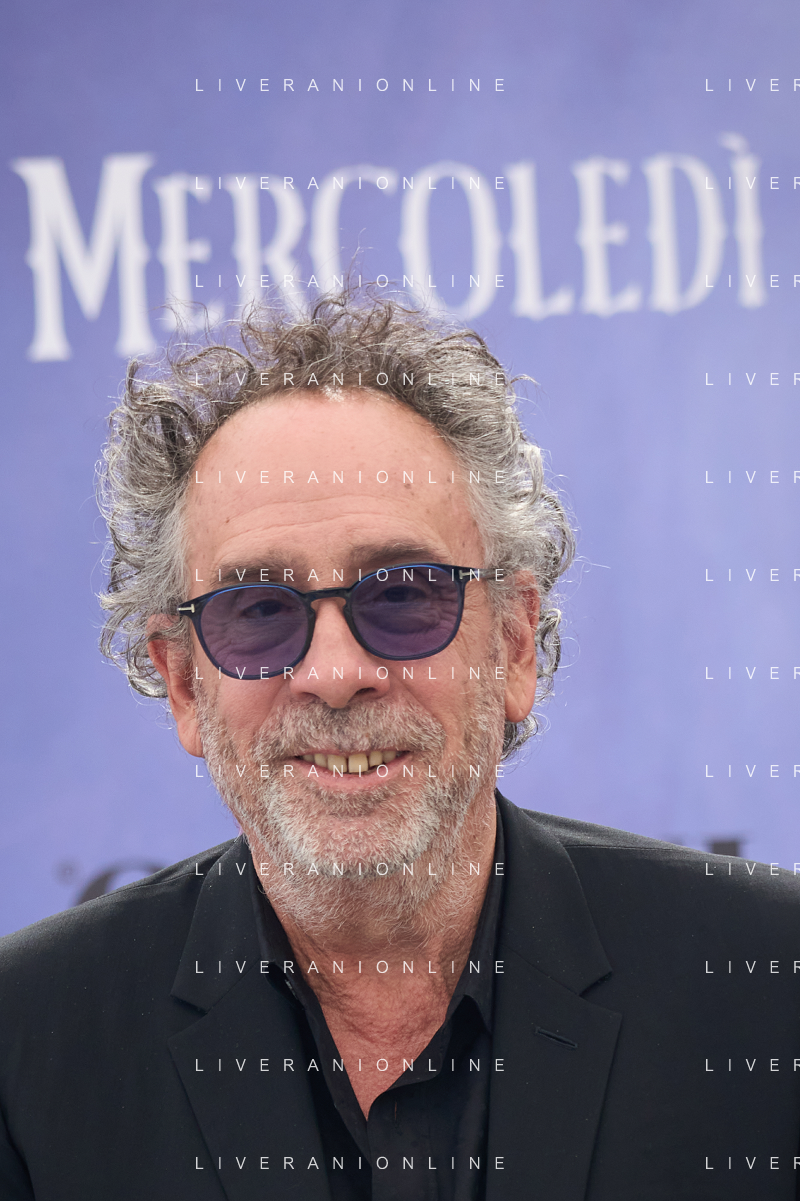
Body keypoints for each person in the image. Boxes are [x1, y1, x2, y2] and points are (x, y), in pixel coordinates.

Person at [1, 292, 798, 1201]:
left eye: (404, 593)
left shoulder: (768, 991)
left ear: (514, 645)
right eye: (257, 609)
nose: (335, 672)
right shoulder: (28, 1049)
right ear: (184, 682)